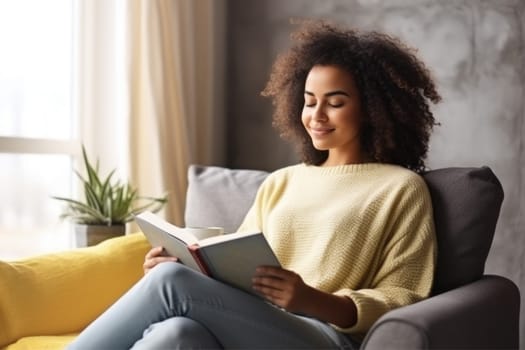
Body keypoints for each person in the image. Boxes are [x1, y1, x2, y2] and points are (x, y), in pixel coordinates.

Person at [68, 20, 441, 349]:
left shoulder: (401, 189)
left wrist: (312, 300)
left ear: (374, 108)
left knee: (170, 283)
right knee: (176, 334)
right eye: (309, 102)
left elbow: (404, 296)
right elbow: (234, 270)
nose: (317, 116)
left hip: (326, 337)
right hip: (250, 327)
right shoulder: (281, 183)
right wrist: (185, 265)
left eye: (335, 102)